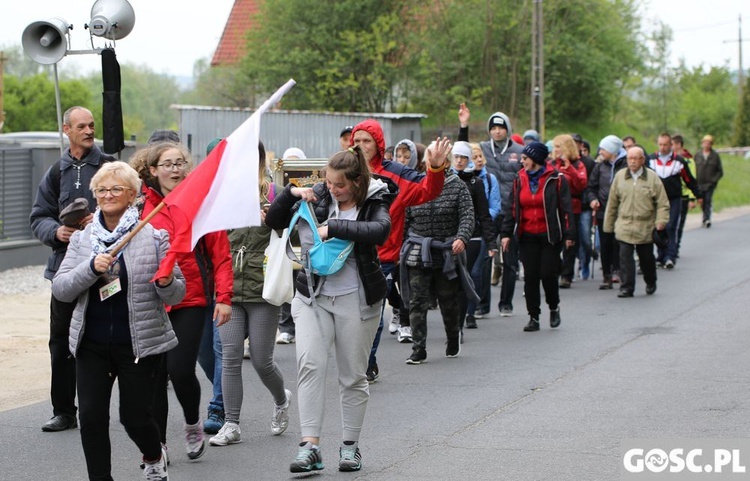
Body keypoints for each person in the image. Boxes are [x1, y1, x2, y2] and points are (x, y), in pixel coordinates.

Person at [265, 146, 396, 473]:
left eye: (339, 184)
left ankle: (350, 447)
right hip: (313, 297)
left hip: (358, 298)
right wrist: (291, 192)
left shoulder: (375, 198)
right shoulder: (319, 193)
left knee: (352, 376)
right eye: (328, 181)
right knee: (309, 365)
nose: (331, 188)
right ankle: (310, 447)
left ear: (356, 182)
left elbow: (380, 231)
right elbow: (274, 220)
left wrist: (335, 227)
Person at [51, 161, 185, 480]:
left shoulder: (154, 236)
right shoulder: (83, 240)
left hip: (138, 345)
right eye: (102, 190)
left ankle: (154, 455)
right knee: (93, 418)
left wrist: (166, 284)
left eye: (116, 189)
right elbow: (61, 288)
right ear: (95, 195)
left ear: (133, 195)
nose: (108, 195)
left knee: (135, 418)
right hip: (91, 344)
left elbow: (177, 294)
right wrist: (91, 268)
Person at [134, 141, 233, 461]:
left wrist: (225, 297)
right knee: (155, 376)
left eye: (180, 163)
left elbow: (220, 254)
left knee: (179, 369)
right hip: (152, 299)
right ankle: (159, 443)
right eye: (168, 164)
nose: (175, 169)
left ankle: (192, 422)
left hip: (190, 298)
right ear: (153, 171)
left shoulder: (201, 202)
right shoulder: (141, 208)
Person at [30, 105, 115, 433]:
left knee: (108, 339)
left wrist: (106, 216)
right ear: (67, 130)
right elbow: (38, 216)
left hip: (107, 270)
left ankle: (110, 405)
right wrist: (56, 232)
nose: (89, 131)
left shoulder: (110, 166)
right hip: (65, 271)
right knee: (60, 342)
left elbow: (134, 205)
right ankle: (64, 410)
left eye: (92, 125)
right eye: (82, 126)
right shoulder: (56, 171)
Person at [350, 120, 449, 382]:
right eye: (356, 141)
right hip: (344, 256)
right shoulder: (345, 169)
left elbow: (429, 189)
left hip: (380, 259)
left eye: (366, 141)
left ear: (379, 144)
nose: (360, 146)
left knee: (372, 313)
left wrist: (435, 167)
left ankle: (365, 364)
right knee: (348, 315)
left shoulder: (396, 174)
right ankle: (354, 361)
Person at [209, 140, 292, 447]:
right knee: (230, 357)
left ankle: (282, 399)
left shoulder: (272, 191)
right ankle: (231, 424)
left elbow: (292, 231)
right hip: (228, 286)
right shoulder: (220, 194)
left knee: (261, 360)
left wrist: (270, 217)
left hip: (263, 285)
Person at [401, 141, 476, 363]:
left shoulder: (457, 185)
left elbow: (467, 215)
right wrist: (400, 248)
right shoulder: (415, 184)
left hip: (446, 252)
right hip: (418, 250)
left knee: (448, 300)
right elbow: (404, 220)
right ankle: (418, 348)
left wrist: (462, 238)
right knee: (417, 301)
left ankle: (453, 338)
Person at [500, 142, 574, 332]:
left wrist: (569, 234)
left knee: (547, 273)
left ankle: (553, 306)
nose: (522, 161)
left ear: (536, 159)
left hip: (549, 235)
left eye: (525, 158)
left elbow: (566, 209)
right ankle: (534, 316)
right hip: (526, 235)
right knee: (530, 276)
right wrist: (506, 233)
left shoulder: (556, 179)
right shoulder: (519, 179)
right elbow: (512, 208)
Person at [458, 106, 524, 316]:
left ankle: (506, 303)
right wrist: (464, 125)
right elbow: (462, 150)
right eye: (493, 127)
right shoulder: (484, 148)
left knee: (509, 261)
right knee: (485, 261)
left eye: (501, 127)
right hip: (487, 215)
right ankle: (482, 304)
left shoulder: (519, 152)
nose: (497, 131)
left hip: (510, 212)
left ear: (508, 129)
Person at [604, 145, 669, 298]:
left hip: (645, 226)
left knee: (646, 258)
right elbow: (612, 203)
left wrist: (661, 221)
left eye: (635, 158)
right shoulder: (620, 177)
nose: (632, 162)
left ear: (642, 160)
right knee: (625, 258)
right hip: (624, 225)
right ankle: (627, 287)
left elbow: (662, 203)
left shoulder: (652, 178)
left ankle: (650, 280)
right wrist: (608, 226)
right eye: (629, 158)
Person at [450, 141, 495, 330]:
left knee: (466, 277)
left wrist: (491, 242)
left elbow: (484, 214)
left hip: (472, 237)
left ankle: (466, 316)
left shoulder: (476, 183)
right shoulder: (444, 179)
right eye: (457, 157)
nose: (460, 161)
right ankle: (452, 322)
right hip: (447, 238)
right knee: (450, 281)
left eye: (464, 157)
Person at [648, 133, 702, 269]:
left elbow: (689, 179)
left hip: (674, 198)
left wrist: (698, 195)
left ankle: (670, 256)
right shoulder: (651, 160)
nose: (663, 147)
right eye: (660, 144)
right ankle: (660, 255)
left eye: (665, 144)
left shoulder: (679, 161)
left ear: (670, 145)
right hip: (656, 199)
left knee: (671, 225)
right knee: (659, 226)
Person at [584, 135, 627, 289]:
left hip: (622, 212)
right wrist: (592, 199)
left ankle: (619, 271)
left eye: (603, 149)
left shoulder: (626, 164)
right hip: (603, 210)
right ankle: (607, 275)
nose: (600, 151)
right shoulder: (600, 166)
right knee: (605, 243)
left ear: (612, 150)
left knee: (619, 243)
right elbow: (591, 187)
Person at [276, 146, 308, 345]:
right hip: (286, 237)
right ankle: (286, 327)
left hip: (304, 236)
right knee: (286, 283)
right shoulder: (279, 186)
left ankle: (303, 326)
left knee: (302, 283)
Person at [549, 135, 587, 288]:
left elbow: (581, 184)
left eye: (559, 147)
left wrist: (569, 168)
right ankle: (557, 268)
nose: (556, 150)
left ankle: (567, 275)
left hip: (573, 207)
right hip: (554, 207)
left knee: (570, 241)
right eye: (555, 147)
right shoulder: (551, 164)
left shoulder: (578, 164)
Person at [469, 142, 500, 319]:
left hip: (482, 230)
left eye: (480, 156)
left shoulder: (490, 179)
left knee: (477, 270)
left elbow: (495, 206)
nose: (479, 160)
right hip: (466, 232)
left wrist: (481, 219)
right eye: (474, 157)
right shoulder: (461, 179)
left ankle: (476, 306)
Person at [671, 134, 697, 259]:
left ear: (678, 145)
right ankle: (669, 247)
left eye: (672, 145)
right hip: (671, 195)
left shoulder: (688, 160)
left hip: (684, 195)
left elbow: (692, 179)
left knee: (679, 224)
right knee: (669, 223)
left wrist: (693, 197)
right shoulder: (670, 159)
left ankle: (676, 246)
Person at [693, 134, 723, 228]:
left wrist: (713, 181)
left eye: (709, 143)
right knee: (702, 201)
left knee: (708, 200)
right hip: (699, 183)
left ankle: (707, 218)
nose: (707, 145)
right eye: (705, 143)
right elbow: (693, 169)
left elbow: (720, 171)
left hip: (710, 184)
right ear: (702, 144)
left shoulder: (715, 156)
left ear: (711, 144)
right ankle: (704, 217)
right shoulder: (697, 155)